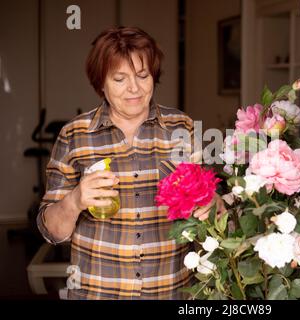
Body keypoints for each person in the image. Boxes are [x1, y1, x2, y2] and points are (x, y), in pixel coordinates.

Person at [37, 26, 225, 300]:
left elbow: (210, 207)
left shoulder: (182, 127)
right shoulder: (74, 135)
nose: (134, 88)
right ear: (101, 83)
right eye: (119, 78)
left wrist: (214, 205)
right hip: (98, 293)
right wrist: (75, 201)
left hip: (172, 292)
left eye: (142, 75)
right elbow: (50, 231)